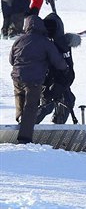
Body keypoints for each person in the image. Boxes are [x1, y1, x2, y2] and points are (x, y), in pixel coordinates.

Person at [9, 15, 68, 144]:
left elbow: (11, 60)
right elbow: (57, 61)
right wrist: (65, 68)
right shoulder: (45, 42)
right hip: (33, 81)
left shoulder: (19, 40)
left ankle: (20, 120)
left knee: (20, 100)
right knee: (31, 107)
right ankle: (24, 138)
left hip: (17, 77)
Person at [36, 13, 81, 124]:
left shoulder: (63, 44)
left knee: (68, 100)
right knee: (48, 104)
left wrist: (63, 83)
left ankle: (57, 125)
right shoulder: (43, 43)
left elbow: (68, 67)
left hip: (59, 81)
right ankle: (26, 127)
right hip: (46, 81)